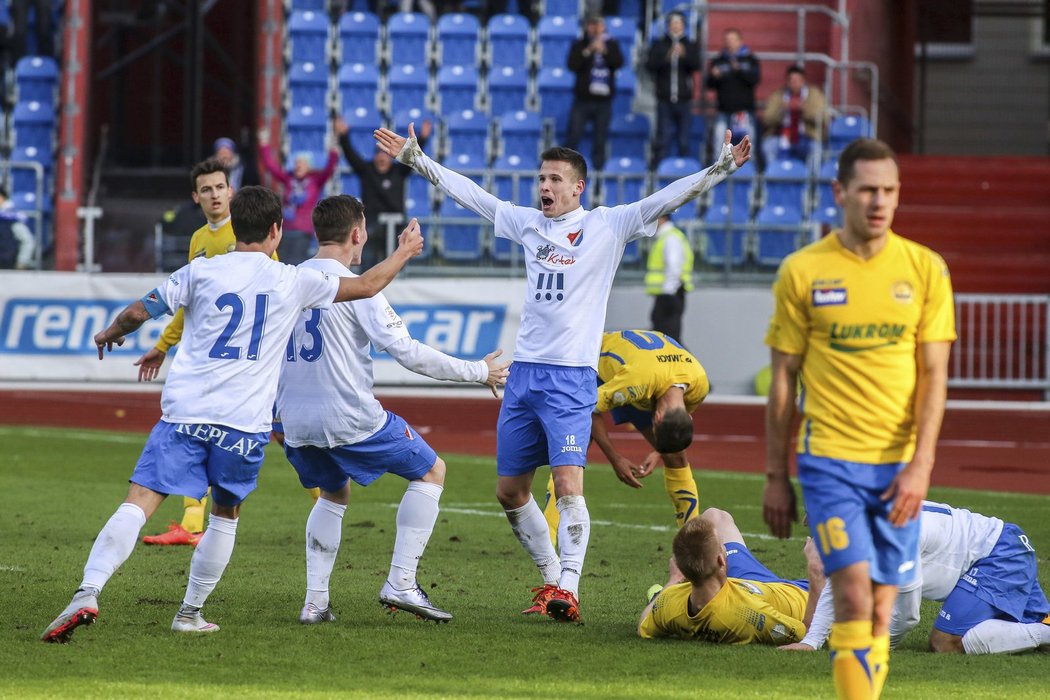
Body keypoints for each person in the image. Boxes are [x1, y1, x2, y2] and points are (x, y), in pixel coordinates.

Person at [373, 120, 750, 623]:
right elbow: (472, 195)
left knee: (570, 485)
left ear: (579, 187)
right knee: (510, 492)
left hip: (571, 378)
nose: (545, 187)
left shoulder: (607, 225)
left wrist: (719, 169)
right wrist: (417, 160)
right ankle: (552, 578)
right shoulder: (528, 223)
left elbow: (667, 199)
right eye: (542, 178)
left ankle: (570, 587)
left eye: (555, 179)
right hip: (524, 376)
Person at [40, 186, 423, 643]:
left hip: (185, 413)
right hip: (244, 425)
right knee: (225, 514)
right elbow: (367, 284)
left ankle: (88, 589)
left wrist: (110, 332)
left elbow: (139, 311)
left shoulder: (199, 271)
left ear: (236, 228)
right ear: (277, 231)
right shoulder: (291, 280)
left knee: (140, 500)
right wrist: (402, 252)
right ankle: (189, 612)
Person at [762, 138, 956, 699]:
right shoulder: (804, 271)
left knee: (880, 612)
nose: (880, 202)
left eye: (890, 190)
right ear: (839, 193)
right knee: (850, 592)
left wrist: (922, 466)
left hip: (898, 468)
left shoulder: (925, 270)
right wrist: (777, 474)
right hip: (830, 464)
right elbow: (782, 380)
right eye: (868, 189)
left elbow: (935, 377)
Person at [277, 194, 509, 625]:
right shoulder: (356, 286)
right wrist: (479, 372)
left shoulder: (287, 280)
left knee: (333, 492)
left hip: (294, 421)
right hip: (349, 417)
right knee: (432, 471)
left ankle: (315, 603)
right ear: (357, 234)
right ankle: (401, 582)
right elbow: (408, 352)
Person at [135, 158, 288, 548]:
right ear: (196, 197)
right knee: (205, 429)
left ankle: (326, 500)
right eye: (206, 189)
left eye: (220, 187)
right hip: (219, 366)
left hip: (254, 361)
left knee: (288, 434)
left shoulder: (247, 241)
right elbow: (189, 307)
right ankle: (191, 524)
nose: (214, 195)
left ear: (231, 192)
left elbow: (271, 297)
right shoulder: (199, 238)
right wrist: (162, 345)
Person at [786, 501, 1050, 655]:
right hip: (1000, 543)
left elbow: (908, 615)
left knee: (944, 642)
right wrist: (811, 642)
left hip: (998, 556)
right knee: (1039, 617)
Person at [542, 329, 709, 543]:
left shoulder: (698, 386)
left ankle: (692, 541)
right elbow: (585, 410)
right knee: (573, 451)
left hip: (649, 377)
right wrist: (615, 457)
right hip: (592, 363)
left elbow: (678, 425)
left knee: (675, 456)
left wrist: (659, 451)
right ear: (656, 417)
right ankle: (548, 537)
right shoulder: (635, 383)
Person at [638, 508, 825, 644]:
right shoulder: (749, 614)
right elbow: (808, 635)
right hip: (805, 595)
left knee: (714, 516)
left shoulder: (671, 603)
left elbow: (643, 625)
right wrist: (815, 571)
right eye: (723, 548)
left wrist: (671, 582)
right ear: (721, 559)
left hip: (742, 584)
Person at [334, 116, 432, 269]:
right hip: (372, 224)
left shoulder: (399, 171)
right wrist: (343, 136)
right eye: (378, 154)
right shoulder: (367, 170)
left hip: (396, 224)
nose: (382, 158)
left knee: (396, 263)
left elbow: (414, 159)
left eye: (385, 155)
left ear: (391, 158)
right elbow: (350, 155)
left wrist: (424, 138)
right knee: (368, 262)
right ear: (374, 157)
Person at [258, 130, 340, 266]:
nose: (298, 165)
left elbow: (329, 169)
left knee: (297, 263)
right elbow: (271, 167)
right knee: (282, 263)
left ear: (309, 166)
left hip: (303, 231)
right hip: (286, 229)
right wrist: (264, 145)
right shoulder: (288, 179)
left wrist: (334, 151)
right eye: (296, 163)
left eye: (302, 163)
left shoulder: (316, 180)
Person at [565, 14, 624, 171]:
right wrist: (589, 50)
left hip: (603, 102)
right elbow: (572, 65)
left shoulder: (612, 44)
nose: (596, 28)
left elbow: (618, 62)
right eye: (592, 24)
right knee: (573, 136)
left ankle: (598, 175)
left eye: (599, 24)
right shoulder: (579, 44)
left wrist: (604, 51)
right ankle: (568, 171)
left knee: (600, 139)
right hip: (582, 100)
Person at [646, 11, 701, 164]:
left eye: (679, 23)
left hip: (684, 99)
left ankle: (683, 171)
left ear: (683, 25)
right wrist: (666, 57)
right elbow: (650, 66)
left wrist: (685, 56)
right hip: (664, 98)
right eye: (673, 23)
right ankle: (661, 172)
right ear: (668, 25)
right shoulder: (659, 44)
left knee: (684, 139)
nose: (676, 26)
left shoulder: (690, 44)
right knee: (663, 138)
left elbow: (696, 65)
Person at [706, 28, 760, 156]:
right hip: (723, 111)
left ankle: (749, 174)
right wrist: (714, 76)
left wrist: (739, 70)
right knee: (719, 146)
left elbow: (755, 79)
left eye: (732, 40)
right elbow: (709, 85)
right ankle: (718, 174)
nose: (729, 43)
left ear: (740, 41)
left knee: (748, 148)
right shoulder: (718, 61)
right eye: (727, 40)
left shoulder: (750, 59)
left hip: (744, 112)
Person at [761, 64, 827, 166]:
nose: (794, 84)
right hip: (782, 136)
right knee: (768, 146)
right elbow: (767, 118)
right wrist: (782, 111)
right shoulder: (778, 95)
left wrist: (804, 109)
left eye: (797, 81)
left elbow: (823, 117)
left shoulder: (814, 94)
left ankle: (811, 180)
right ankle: (773, 177)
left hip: (807, 137)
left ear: (803, 81)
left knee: (816, 149)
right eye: (792, 81)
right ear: (787, 82)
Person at [645, 214, 693, 342]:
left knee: (669, 340)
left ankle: (687, 362)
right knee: (664, 338)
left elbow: (674, 267)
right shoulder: (668, 236)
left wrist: (668, 293)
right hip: (669, 294)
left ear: (662, 218)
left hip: (670, 295)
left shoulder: (670, 237)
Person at [0, 186, 36, 270]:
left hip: (6, 264)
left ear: (2, 198)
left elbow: (27, 241)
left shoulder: (12, 218)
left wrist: (21, 262)